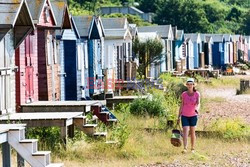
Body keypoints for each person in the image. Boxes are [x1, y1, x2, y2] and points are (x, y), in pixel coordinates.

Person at [177, 78, 200, 153]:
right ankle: (185, 148)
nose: (190, 86)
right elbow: (182, 105)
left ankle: (192, 148)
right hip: (184, 115)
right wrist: (178, 116)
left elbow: (198, 103)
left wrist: (197, 108)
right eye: (188, 84)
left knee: (192, 132)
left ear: (193, 85)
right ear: (186, 85)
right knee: (185, 131)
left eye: (191, 84)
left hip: (193, 115)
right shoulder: (184, 94)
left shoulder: (197, 94)